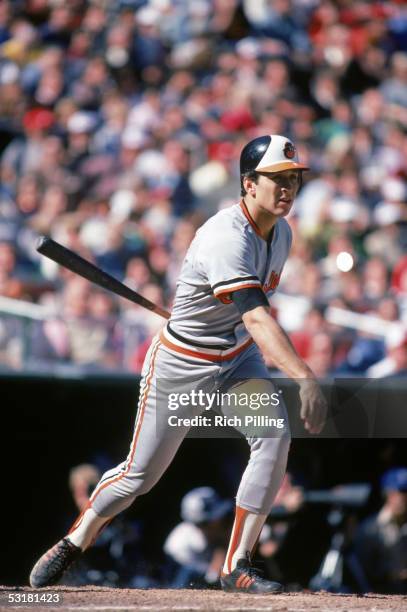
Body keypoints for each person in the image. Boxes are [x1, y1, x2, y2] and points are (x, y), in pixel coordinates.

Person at [29, 134, 327, 594]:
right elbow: (255, 315)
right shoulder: (225, 236)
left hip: (236, 357)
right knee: (139, 477)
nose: (288, 187)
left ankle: (237, 566)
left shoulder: (282, 232)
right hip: (183, 363)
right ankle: (77, 538)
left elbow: (247, 318)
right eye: (277, 179)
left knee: (273, 438)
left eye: (294, 178)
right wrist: (304, 375)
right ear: (249, 184)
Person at [163, 486, 233, 588]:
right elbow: (211, 577)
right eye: (215, 519)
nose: (221, 520)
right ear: (200, 523)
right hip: (179, 582)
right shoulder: (180, 544)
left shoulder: (224, 529)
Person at [352, 467, 407, 594]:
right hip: (378, 594)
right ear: (388, 493)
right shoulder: (370, 528)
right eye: (402, 491)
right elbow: (360, 570)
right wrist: (392, 575)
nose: (404, 497)